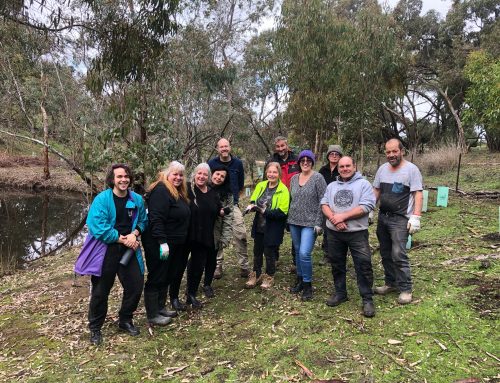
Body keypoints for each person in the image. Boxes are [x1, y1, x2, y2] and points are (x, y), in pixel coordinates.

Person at [74, 164, 147, 346]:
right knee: (101, 291)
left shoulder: (137, 199)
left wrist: (135, 234)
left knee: (135, 285)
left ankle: (125, 320)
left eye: (126, 176)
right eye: (119, 176)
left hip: (129, 250)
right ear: (112, 179)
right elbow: (97, 226)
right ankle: (95, 328)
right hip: (107, 250)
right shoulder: (102, 199)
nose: (124, 179)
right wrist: (122, 239)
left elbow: (144, 220)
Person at [320, 156, 377, 317]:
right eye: (342, 166)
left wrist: (342, 217)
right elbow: (324, 204)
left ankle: (367, 299)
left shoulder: (364, 184)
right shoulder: (331, 186)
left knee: (363, 265)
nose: (344, 169)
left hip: (357, 233)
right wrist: (334, 219)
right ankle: (340, 293)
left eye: (347, 166)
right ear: (338, 168)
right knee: (337, 264)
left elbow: (367, 205)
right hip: (334, 233)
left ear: (354, 167)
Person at [373, 138, 423, 305]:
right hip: (383, 217)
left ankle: (406, 289)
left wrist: (416, 217)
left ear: (402, 151)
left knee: (398, 254)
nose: (391, 155)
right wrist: (369, 210)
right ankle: (390, 283)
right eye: (388, 152)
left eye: (395, 151)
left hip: (400, 219)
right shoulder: (382, 169)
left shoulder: (412, 170)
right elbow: (377, 190)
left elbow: (418, 194)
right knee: (385, 252)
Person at [141, 161, 190, 324]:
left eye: (181, 175)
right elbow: (156, 219)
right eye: (175, 174)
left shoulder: (177, 191)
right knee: (157, 275)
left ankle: (161, 307)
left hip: (174, 242)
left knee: (167, 274)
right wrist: (162, 242)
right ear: (167, 174)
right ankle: (153, 314)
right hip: (158, 242)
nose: (178, 177)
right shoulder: (161, 190)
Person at [287, 150, 327, 301]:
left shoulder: (318, 178)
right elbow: (292, 200)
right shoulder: (294, 179)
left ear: (312, 162)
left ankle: (308, 284)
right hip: (294, 221)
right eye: (302, 160)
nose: (305, 162)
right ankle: (300, 280)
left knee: (304, 253)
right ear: (299, 162)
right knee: (297, 251)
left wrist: (319, 223)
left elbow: (323, 200)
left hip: (310, 223)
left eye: (308, 160)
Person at [208, 138, 250, 279]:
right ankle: (217, 265)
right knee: (216, 233)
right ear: (217, 149)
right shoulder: (212, 163)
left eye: (226, 146)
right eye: (221, 147)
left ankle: (244, 266)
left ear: (230, 147)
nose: (224, 149)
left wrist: (233, 200)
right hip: (213, 203)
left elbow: (240, 184)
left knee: (240, 233)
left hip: (232, 203)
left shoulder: (237, 163)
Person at [245, 162, 290, 289]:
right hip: (259, 225)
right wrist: (251, 206)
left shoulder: (283, 190)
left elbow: (283, 212)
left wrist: (264, 211)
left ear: (279, 174)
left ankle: (269, 276)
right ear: (266, 173)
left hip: (273, 227)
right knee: (257, 251)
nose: (271, 174)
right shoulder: (261, 185)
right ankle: (256, 274)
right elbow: (254, 200)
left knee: (269, 252)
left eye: (274, 172)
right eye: (269, 172)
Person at [184, 163, 223, 308]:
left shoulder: (212, 192)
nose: (201, 176)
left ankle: (191, 294)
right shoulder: (187, 189)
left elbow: (218, 208)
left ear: (208, 177)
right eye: (199, 173)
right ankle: (179, 295)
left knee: (198, 265)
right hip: (188, 234)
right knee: (184, 264)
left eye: (205, 174)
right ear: (194, 174)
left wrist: (223, 211)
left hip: (205, 234)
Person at [266, 136, 300, 270]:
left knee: (295, 230)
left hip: (295, 200)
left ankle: (295, 261)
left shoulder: (296, 160)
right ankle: (274, 257)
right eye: (278, 146)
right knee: (275, 228)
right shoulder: (272, 161)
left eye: (282, 146)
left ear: (287, 146)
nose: (280, 149)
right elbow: (267, 180)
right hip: (277, 199)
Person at [203, 164, 233, 298]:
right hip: (199, 230)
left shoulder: (227, 195)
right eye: (217, 174)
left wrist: (225, 237)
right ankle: (192, 285)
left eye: (222, 176)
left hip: (215, 231)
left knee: (211, 259)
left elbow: (228, 217)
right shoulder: (201, 187)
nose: (219, 177)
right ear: (212, 173)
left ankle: (207, 284)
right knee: (197, 259)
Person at [318, 145, 343, 265]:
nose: (334, 156)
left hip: (340, 204)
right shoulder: (323, 170)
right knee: (327, 229)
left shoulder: (343, 169)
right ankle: (327, 254)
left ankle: (338, 254)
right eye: (331, 153)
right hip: (325, 203)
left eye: (336, 154)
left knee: (337, 229)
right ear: (328, 156)